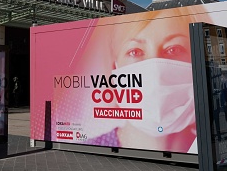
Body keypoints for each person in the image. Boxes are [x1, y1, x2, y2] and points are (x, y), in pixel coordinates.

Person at [83, 8, 211, 153]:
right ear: (114, 68)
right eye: (135, 52)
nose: (155, 71)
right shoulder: (90, 148)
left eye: (173, 49)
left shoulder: (209, 148)